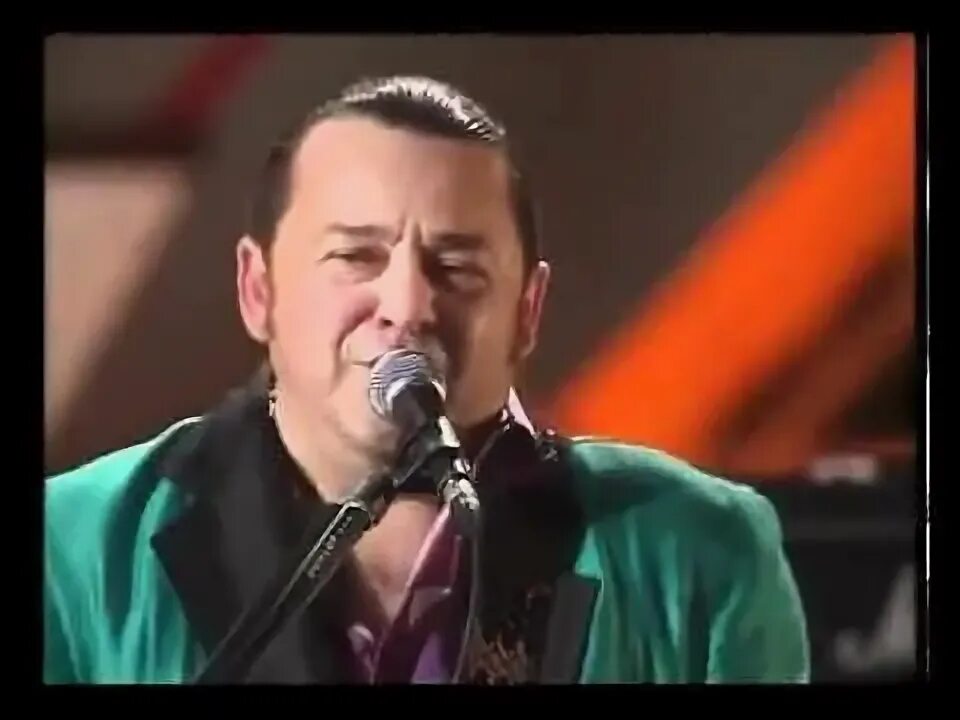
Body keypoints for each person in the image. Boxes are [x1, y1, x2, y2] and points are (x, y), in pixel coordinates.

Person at [44, 75, 810, 684]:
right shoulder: (75, 548)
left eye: (457, 266)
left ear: (528, 311)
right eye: (356, 257)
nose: (408, 305)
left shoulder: (701, 551)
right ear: (258, 290)